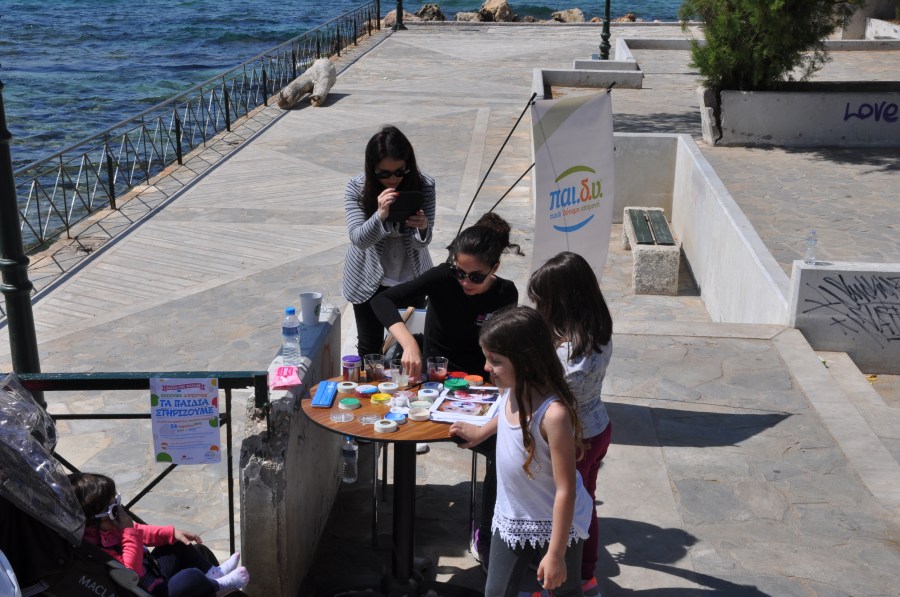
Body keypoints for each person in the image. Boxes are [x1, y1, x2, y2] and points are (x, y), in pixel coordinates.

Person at [371, 210, 522, 562]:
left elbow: (503, 352)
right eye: (459, 272)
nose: (465, 282)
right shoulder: (442, 277)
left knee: (506, 448)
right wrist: (409, 343)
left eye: (476, 277)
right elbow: (382, 301)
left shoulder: (506, 293)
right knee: (391, 425)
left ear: (495, 268)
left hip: (478, 388)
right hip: (433, 382)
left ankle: (491, 535)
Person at [450, 306, 593, 597]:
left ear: (526, 362)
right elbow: (506, 417)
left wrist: (555, 554)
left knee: (565, 591)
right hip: (513, 516)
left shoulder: (553, 415)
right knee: (496, 591)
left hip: (558, 524)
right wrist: (480, 432)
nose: (486, 367)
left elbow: (566, 490)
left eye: (495, 361)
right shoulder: (510, 388)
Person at [528, 251, 613, 597]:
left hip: (574, 440)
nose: (539, 308)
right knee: (585, 504)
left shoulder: (571, 352)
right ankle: (586, 575)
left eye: (542, 300)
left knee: (562, 509)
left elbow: (555, 394)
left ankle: (559, 578)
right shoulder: (597, 330)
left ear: (560, 302)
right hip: (598, 428)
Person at [68, 473, 249, 596]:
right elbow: (130, 574)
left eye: (117, 502)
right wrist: (128, 531)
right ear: (92, 521)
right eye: (114, 510)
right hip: (149, 590)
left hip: (153, 571)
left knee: (177, 543)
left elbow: (141, 532)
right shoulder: (96, 550)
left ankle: (215, 573)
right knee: (190, 577)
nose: (120, 512)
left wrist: (171, 533)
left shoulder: (108, 527)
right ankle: (220, 585)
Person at [342, 125, 436, 358]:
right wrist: (380, 215)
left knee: (410, 347)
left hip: (411, 278)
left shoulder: (424, 185)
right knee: (370, 349)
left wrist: (422, 227)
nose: (393, 179)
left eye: (399, 172)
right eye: (384, 174)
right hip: (367, 280)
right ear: (371, 169)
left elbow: (422, 243)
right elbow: (359, 239)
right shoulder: (357, 188)